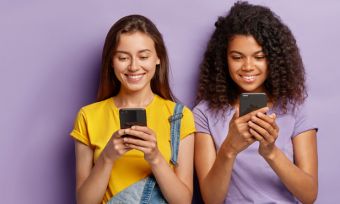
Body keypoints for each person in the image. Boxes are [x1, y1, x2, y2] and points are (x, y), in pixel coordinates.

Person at [193, 1, 318, 204]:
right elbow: (211, 200)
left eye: (259, 57)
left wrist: (270, 152)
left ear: (274, 59)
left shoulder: (294, 107)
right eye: (237, 57)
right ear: (223, 60)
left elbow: (309, 195)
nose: (248, 66)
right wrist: (229, 148)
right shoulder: (204, 113)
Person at [70, 15, 195, 204]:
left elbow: (183, 201)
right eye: (123, 58)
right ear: (111, 61)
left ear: (158, 58)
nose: (134, 66)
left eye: (144, 56)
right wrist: (107, 157)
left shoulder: (180, 116)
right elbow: (84, 202)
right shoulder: (88, 116)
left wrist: (155, 157)